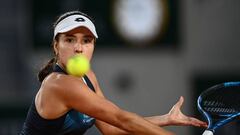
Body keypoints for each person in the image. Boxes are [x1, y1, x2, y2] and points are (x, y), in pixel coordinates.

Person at [19, 10, 207, 135]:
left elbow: (111, 128)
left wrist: (165, 119)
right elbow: (121, 119)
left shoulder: (88, 77)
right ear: (56, 46)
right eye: (69, 40)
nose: (78, 48)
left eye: (86, 40)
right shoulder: (58, 84)